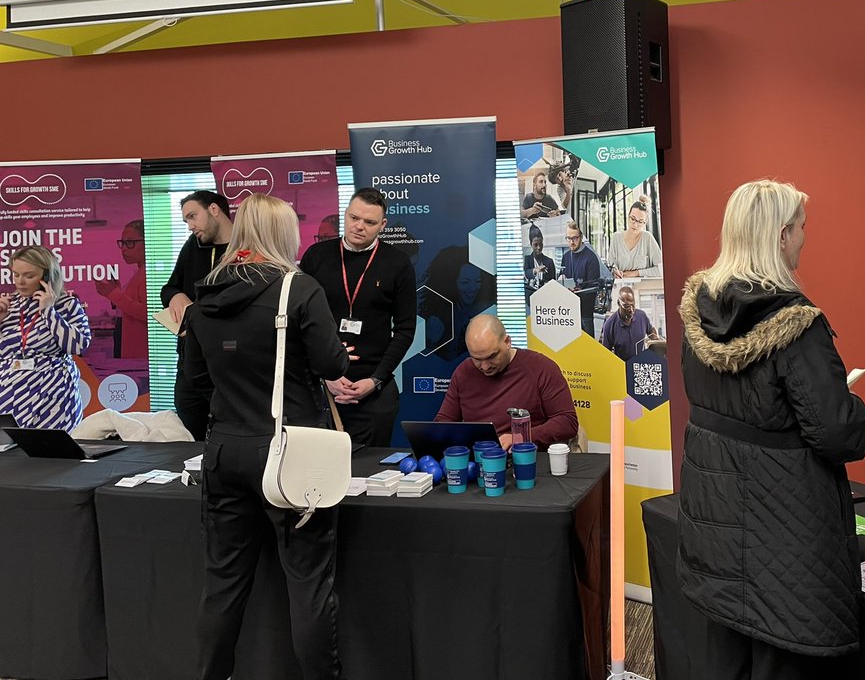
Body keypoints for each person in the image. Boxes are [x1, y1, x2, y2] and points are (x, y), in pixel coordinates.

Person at [677, 180, 865, 678]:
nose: (807, 238)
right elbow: (838, 434)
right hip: (787, 533)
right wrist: (855, 406)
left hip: (715, 521)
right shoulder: (797, 326)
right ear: (783, 235)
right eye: (803, 228)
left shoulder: (697, 311)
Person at [184, 194, 349, 680]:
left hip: (222, 453)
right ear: (284, 236)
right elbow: (333, 365)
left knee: (222, 585)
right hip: (288, 455)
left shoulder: (203, 300)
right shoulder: (298, 289)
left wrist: (217, 436)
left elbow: (190, 390)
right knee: (309, 583)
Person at [299, 188, 417, 446]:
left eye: (369, 222)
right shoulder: (316, 257)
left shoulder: (397, 263)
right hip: (321, 386)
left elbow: (406, 328)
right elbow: (299, 325)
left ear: (382, 225)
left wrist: (375, 380)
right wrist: (325, 376)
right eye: (354, 218)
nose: (359, 226)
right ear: (345, 214)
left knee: (370, 470)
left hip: (374, 386)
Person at [435, 314, 578, 449]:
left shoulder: (541, 367)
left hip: (528, 460)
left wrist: (521, 438)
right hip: (478, 461)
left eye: (492, 356)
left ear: (507, 342)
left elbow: (567, 422)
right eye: (477, 359)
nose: (485, 366)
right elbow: (443, 421)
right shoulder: (463, 372)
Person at [161, 190, 233, 440]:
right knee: (190, 437)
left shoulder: (245, 249)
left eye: (193, 217)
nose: (190, 226)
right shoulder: (193, 246)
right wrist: (175, 296)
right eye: (186, 221)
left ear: (214, 210)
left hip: (227, 367)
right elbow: (170, 287)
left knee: (228, 437)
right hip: (189, 362)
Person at [0, 246, 92, 430]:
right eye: (16, 274)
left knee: (54, 453)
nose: (20, 282)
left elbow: (79, 346)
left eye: (29, 275)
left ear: (47, 276)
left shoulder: (67, 304)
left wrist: (49, 312)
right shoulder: (7, 304)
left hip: (53, 394)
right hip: (11, 392)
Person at [95, 219, 148, 360]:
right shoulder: (140, 271)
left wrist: (114, 294)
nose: (124, 248)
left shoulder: (150, 272)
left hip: (142, 353)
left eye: (130, 242)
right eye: (123, 243)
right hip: (133, 347)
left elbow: (147, 312)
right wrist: (114, 294)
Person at [559, 220, 601, 338]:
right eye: (568, 238)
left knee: (588, 348)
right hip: (568, 314)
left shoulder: (591, 258)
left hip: (585, 313)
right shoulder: (565, 257)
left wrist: (575, 292)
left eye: (575, 238)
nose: (571, 242)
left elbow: (593, 290)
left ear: (581, 237)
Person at [600, 285, 660, 361]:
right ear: (619, 303)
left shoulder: (642, 316)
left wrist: (657, 342)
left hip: (640, 365)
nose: (631, 310)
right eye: (627, 306)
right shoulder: (609, 325)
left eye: (633, 305)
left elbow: (651, 331)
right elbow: (606, 355)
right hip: (622, 367)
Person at [609, 195, 662, 279]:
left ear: (645, 222)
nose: (635, 224)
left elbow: (661, 269)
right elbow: (610, 266)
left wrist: (637, 273)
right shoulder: (616, 237)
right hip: (621, 288)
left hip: (643, 289)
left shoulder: (647, 238)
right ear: (628, 216)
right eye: (633, 219)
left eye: (640, 221)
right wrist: (614, 272)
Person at [523, 224, 555, 299]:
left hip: (546, 296)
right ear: (531, 244)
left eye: (541, 244)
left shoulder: (549, 261)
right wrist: (536, 270)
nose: (539, 248)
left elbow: (553, 283)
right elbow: (527, 274)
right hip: (530, 297)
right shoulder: (527, 259)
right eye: (535, 245)